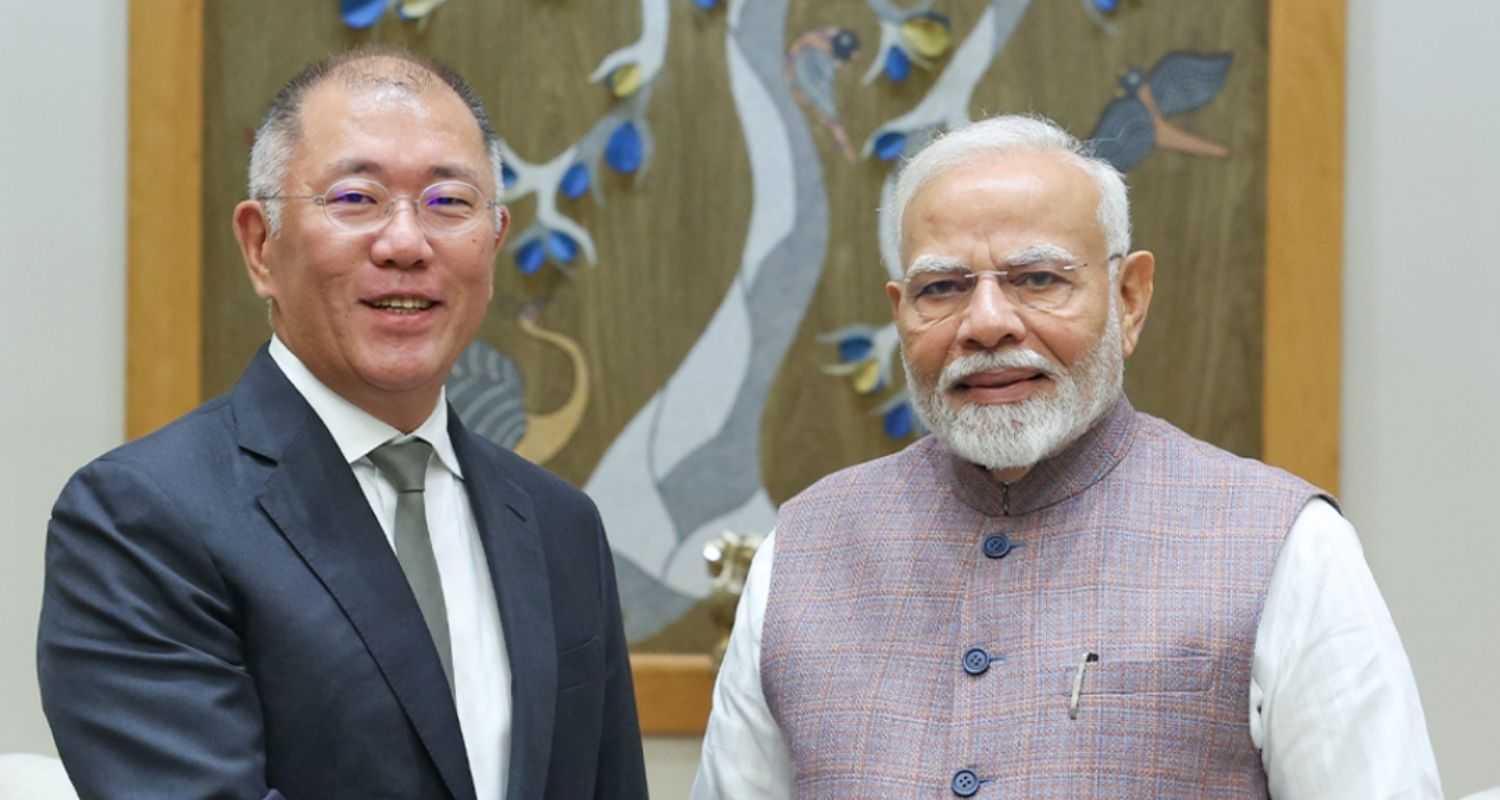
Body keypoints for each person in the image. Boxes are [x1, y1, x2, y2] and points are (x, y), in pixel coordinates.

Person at [692, 114, 1442, 798]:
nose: (986, 323)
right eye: (943, 288)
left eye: (1038, 279)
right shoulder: (803, 551)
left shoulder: (1286, 546)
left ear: (1130, 298)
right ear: (900, 312)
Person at [38, 48, 647, 799]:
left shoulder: (560, 526)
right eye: (356, 199)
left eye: (448, 202)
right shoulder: (142, 518)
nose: (405, 243)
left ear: (494, 240)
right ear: (261, 246)